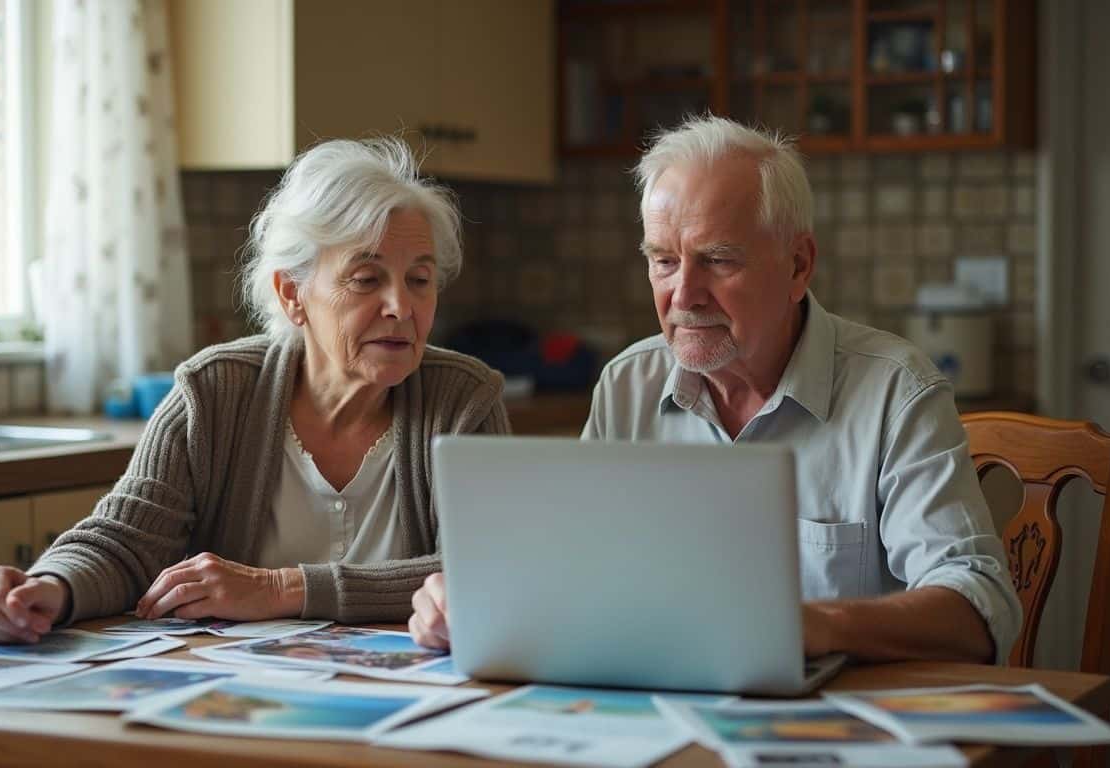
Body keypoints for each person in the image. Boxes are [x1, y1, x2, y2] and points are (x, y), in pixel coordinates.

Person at [410, 116, 1022, 665]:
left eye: (719, 261)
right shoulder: (627, 384)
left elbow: (979, 609)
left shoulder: (896, 392)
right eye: (663, 261)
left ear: (799, 265)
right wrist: (477, 596)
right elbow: (579, 577)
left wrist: (812, 625)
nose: (683, 296)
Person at [0, 136, 509, 644]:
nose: (402, 307)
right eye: (367, 279)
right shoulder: (214, 391)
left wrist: (281, 589)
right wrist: (43, 588)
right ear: (292, 294)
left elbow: (492, 564)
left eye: (419, 279)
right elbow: (124, 539)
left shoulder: (463, 400)